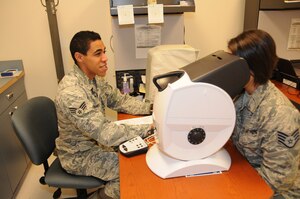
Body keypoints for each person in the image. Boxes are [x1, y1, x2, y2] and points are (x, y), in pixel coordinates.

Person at [55, 30, 153, 199]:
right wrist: (150, 129)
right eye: (97, 53)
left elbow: (119, 101)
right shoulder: (71, 92)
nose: (105, 58)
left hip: (97, 144)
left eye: (104, 52)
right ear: (80, 57)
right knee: (131, 172)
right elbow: (105, 133)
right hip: (79, 156)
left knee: (140, 155)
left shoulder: (94, 78)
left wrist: (153, 108)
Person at [228, 29, 300, 199]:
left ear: (251, 68)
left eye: (232, 63)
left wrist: (234, 186)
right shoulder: (240, 93)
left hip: (277, 192)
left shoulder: (280, 115)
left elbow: (278, 179)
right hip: (246, 173)